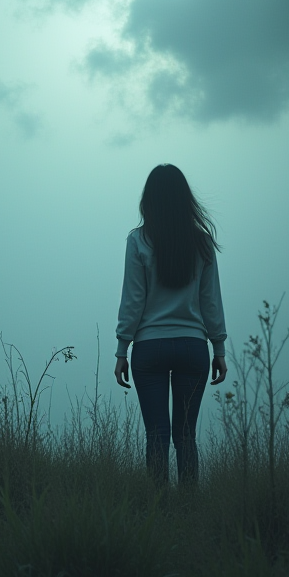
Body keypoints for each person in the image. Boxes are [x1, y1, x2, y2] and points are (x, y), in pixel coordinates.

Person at [114, 164, 227, 485]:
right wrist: (218, 347)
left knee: (157, 435)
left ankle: (159, 511)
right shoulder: (202, 244)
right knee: (186, 436)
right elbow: (211, 301)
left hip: (149, 349)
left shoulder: (138, 241)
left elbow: (133, 301)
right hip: (193, 347)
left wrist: (122, 348)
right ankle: (189, 508)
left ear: (149, 200)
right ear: (185, 200)